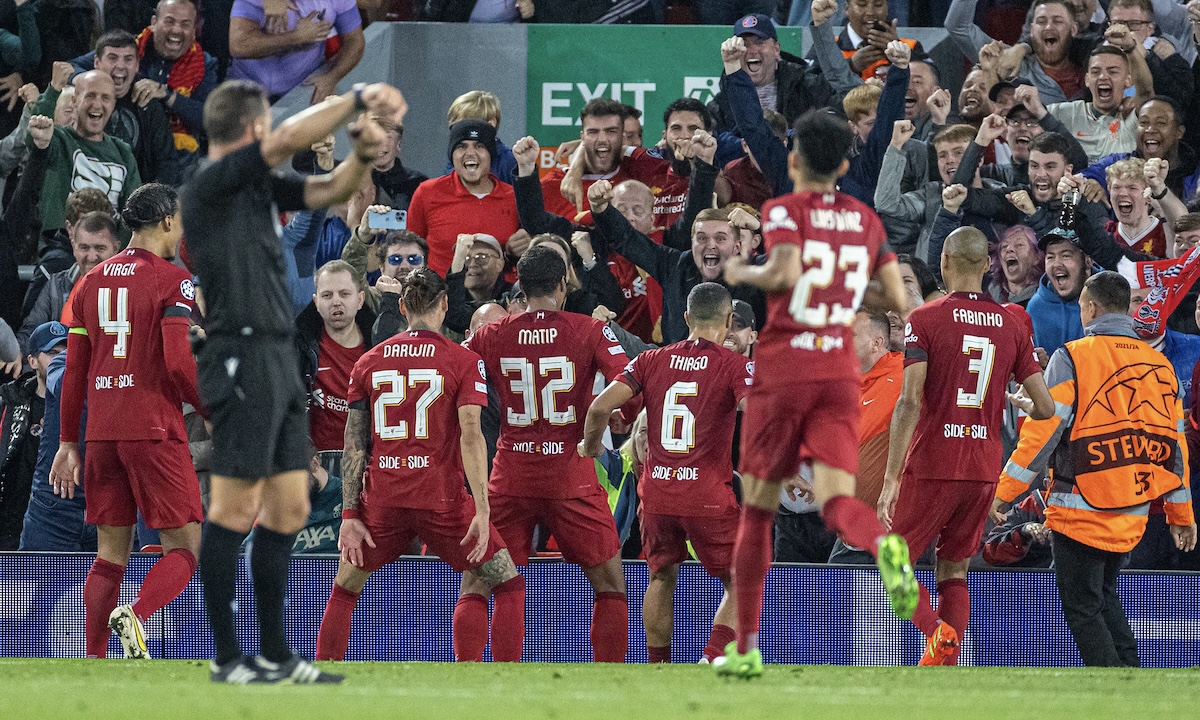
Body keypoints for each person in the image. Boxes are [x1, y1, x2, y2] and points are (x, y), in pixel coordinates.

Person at [182, 78, 406, 684]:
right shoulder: (212, 182)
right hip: (239, 353)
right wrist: (359, 100)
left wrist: (361, 151)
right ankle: (227, 658)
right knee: (233, 507)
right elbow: (288, 140)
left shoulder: (253, 187)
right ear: (253, 128)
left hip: (279, 356)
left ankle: (277, 656)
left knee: (287, 508)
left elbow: (332, 188)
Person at [713, 109, 916, 678]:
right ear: (848, 165)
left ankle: (745, 650)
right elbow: (898, 298)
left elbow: (781, 269)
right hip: (837, 372)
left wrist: (742, 273)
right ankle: (885, 548)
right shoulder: (866, 220)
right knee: (838, 504)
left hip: (784, 370)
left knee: (757, 512)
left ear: (795, 159)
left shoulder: (784, 210)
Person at [315, 269, 524, 662]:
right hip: (441, 500)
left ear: (401, 307)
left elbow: (354, 442)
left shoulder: (368, 362)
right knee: (507, 583)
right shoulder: (464, 360)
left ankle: (322, 682)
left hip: (383, 500)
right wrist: (481, 508)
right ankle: (499, 685)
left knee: (345, 587)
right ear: (444, 305)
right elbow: (471, 436)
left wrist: (348, 513)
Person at [995, 271, 1196, 666]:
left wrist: (1001, 494)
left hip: (1081, 506)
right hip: (1133, 512)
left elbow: (1043, 434)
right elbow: (1176, 450)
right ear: (1125, 309)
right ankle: (1131, 681)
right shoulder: (1160, 365)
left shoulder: (1072, 356)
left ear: (1089, 308)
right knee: (1102, 596)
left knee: (1083, 605)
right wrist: (1181, 514)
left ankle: (1115, 691)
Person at [877, 226, 1054, 666]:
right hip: (982, 467)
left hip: (935, 459)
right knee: (954, 568)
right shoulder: (1013, 322)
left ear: (944, 264)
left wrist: (890, 477)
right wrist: (1016, 399)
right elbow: (1048, 408)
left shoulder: (926, 319)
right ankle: (944, 668)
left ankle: (938, 634)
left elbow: (909, 400)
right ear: (987, 265)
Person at [48, 183, 205, 660]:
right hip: (154, 428)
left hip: (100, 433)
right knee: (186, 548)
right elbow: (179, 364)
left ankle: (96, 658)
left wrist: (67, 443)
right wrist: (213, 410)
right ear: (167, 223)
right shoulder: (172, 278)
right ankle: (135, 613)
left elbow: (74, 370)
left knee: (109, 554)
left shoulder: (88, 280)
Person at [466, 246, 630, 663]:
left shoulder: (492, 333)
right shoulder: (589, 330)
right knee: (611, 584)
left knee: (482, 583)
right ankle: (610, 684)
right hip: (569, 476)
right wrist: (616, 412)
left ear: (520, 286)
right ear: (563, 285)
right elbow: (627, 375)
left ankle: (478, 679)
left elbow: (454, 370)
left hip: (511, 476)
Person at [580, 283, 753, 665]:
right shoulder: (734, 365)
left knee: (661, 577)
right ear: (727, 321)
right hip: (707, 493)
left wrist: (588, 449)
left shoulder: (649, 361)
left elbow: (598, 409)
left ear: (688, 319)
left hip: (656, 495)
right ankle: (711, 657)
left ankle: (658, 665)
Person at [27, 68, 141, 236]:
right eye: (90, 96)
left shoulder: (122, 152)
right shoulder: (60, 140)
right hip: (61, 246)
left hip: (109, 251)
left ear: (113, 104)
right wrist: (53, 89)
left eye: (105, 98)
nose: (97, 104)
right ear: (74, 101)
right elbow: (36, 136)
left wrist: (119, 252)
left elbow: (134, 213)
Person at [406, 120, 520, 277]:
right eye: (461, 146)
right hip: (441, 296)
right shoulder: (427, 193)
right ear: (452, 156)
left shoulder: (514, 197)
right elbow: (411, 249)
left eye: (479, 146)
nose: (470, 153)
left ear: (491, 155)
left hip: (499, 297)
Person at [296, 260, 373, 458]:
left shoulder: (379, 349)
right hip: (314, 463)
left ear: (360, 299)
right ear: (316, 302)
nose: (336, 301)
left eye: (344, 294)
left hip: (367, 459)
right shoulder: (297, 347)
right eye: (327, 295)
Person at [16, 212, 120, 355]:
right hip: (59, 370)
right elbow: (32, 329)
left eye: (100, 248)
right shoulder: (56, 285)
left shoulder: (129, 289)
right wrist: (16, 352)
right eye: (84, 247)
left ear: (116, 248)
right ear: (73, 246)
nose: (91, 257)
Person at [87, 30, 180, 185]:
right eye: (112, 58)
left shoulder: (149, 105)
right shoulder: (81, 101)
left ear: (137, 65)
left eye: (128, 59)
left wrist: (151, 201)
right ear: (97, 62)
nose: (121, 65)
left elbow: (167, 162)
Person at [228, 0, 364, 104]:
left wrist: (332, 77)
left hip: (301, 92)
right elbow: (239, 46)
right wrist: (295, 37)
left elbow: (354, 40)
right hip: (247, 91)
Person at [0, 321, 61, 549]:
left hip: (61, 519)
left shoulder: (85, 406)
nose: (62, 358)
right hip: (12, 520)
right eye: (53, 352)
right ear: (32, 361)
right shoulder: (9, 400)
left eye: (67, 351)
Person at [1027, 231, 1091, 356]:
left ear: (1087, 262)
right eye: (1050, 257)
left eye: (1066, 256)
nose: (1056, 264)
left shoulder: (1106, 298)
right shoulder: (1036, 308)